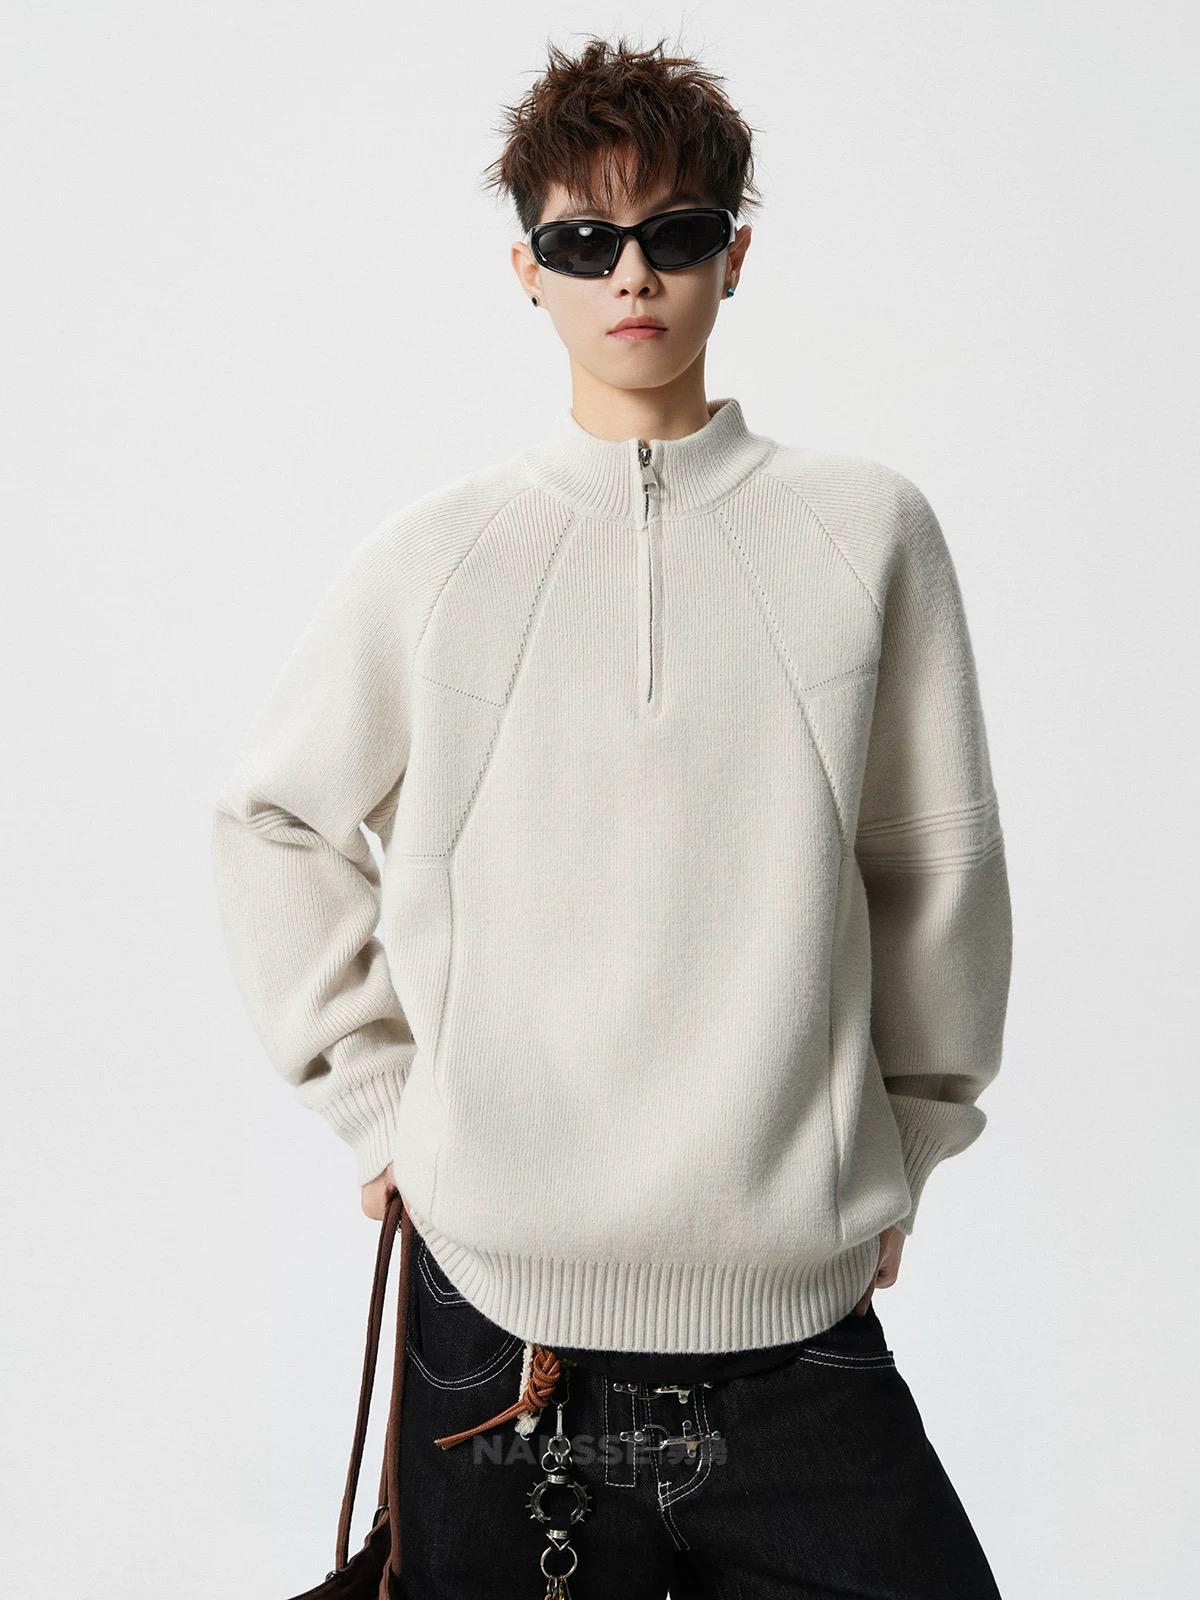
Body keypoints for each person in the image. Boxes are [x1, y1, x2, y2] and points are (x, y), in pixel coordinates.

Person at [211, 32, 1012, 1599]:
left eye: (675, 233)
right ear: (528, 270)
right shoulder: (442, 558)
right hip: (499, 1331)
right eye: (585, 241)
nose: (631, 274)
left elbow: (934, 862)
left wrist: (909, 1136)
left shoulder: (867, 534)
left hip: (794, 1327)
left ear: (734, 256)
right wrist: (379, 1104)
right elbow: (273, 821)